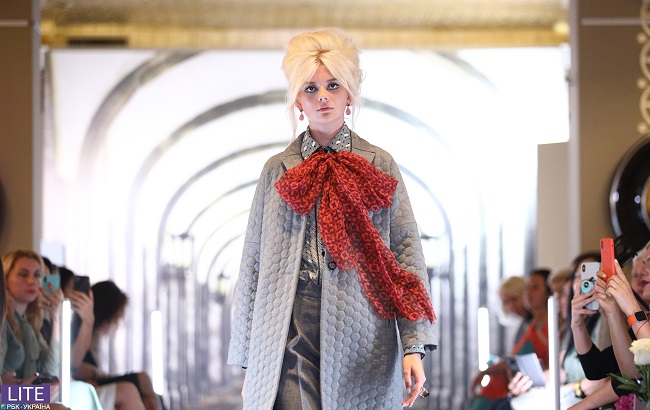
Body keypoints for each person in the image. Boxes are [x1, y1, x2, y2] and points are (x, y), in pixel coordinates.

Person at [227, 28, 437, 410]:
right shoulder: (277, 169)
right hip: (287, 326)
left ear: (349, 95)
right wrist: (250, 361)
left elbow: (406, 255)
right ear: (297, 101)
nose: (322, 96)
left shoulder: (379, 163)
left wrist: (414, 345)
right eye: (310, 88)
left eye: (333, 85)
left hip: (363, 328)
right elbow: (253, 263)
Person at [469, 268, 552, 410]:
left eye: (535, 288)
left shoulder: (551, 323)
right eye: (527, 288)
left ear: (549, 292)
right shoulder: (530, 325)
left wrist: (486, 371)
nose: (528, 293)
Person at [74, 280, 159, 410]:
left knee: (148, 396)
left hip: (87, 383)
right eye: (119, 316)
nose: (120, 321)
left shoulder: (91, 333)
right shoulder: (81, 328)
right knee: (141, 381)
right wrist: (95, 372)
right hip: (82, 384)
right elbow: (73, 365)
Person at [0, 250, 62, 403]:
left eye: (37, 275)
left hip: (19, 401)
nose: (31, 281)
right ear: (5, 279)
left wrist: (56, 320)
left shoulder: (28, 325)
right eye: (23, 274)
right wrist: (31, 395)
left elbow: (50, 370)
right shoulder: (3, 322)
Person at [498, 276, 531, 349]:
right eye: (506, 302)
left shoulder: (534, 321)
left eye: (514, 299)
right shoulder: (525, 322)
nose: (511, 306)